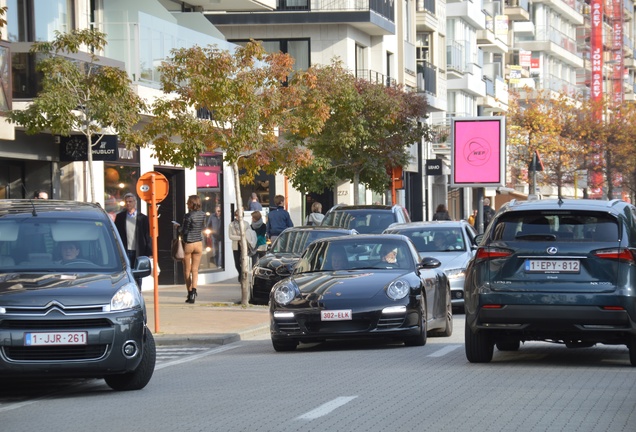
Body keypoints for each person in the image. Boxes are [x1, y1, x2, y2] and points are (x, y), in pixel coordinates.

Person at [114, 193, 152, 289]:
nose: (128, 204)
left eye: (130, 201)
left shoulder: (143, 218)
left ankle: (138, 291)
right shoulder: (120, 217)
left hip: (139, 251)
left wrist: (149, 251)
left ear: (135, 203)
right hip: (125, 250)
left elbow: (147, 235)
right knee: (126, 272)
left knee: (138, 273)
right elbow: (116, 234)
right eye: (126, 202)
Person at [175, 195, 206, 304]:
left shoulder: (188, 216)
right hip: (198, 243)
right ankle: (194, 290)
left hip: (188, 243)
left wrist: (178, 227)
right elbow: (202, 227)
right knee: (195, 270)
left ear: (192, 204)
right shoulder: (202, 214)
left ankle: (189, 294)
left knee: (187, 270)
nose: (187, 204)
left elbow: (183, 231)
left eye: (188, 203)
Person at [229, 209, 252, 282]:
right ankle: (240, 274)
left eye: (240, 215)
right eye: (237, 215)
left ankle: (242, 276)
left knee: (244, 262)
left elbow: (249, 234)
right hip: (236, 246)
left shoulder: (246, 224)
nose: (238, 217)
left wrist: (244, 238)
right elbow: (230, 236)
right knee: (237, 263)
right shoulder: (231, 224)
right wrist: (240, 237)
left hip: (244, 246)